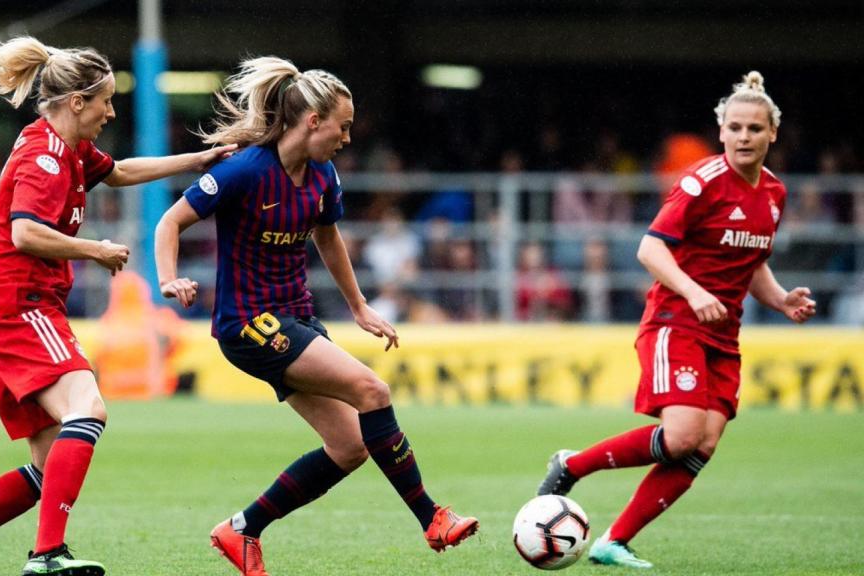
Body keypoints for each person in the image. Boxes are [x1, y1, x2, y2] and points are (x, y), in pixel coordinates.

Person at [0, 36, 234, 576]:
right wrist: (94, 249)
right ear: (77, 101)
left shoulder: (65, 147)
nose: (110, 111)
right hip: (23, 306)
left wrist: (199, 159)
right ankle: (47, 555)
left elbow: (121, 171)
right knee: (89, 407)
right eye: (105, 100)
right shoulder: (45, 159)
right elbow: (26, 233)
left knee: (46, 464)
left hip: (17, 307)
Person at [155, 56, 478, 576]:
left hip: (296, 319)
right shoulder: (244, 171)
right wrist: (168, 278)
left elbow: (328, 237)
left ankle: (241, 529)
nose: (347, 138)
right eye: (343, 126)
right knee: (372, 390)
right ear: (312, 122)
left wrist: (358, 305)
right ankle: (432, 517)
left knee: (350, 446)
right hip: (248, 324)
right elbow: (171, 220)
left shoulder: (323, 176)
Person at [536, 71, 817, 568]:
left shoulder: (773, 193)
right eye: (735, 128)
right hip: (675, 322)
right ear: (721, 131)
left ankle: (612, 542)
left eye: (755, 129)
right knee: (683, 435)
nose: (744, 137)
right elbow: (650, 249)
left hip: (723, 334)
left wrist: (781, 300)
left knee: (701, 445)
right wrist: (692, 290)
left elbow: (751, 261)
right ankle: (571, 464)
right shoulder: (701, 182)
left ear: (773, 133)